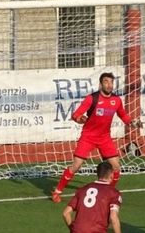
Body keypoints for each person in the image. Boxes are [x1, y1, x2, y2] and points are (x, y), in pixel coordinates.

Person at [52, 72, 140, 203]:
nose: (109, 85)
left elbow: (123, 115)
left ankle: (108, 192)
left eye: (111, 82)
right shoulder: (91, 98)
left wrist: (132, 122)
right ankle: (57, 192)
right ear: (100, 84)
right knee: (76, 165)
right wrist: (79, 119)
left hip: (104, 138)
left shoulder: (116, 100)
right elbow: (76, 114)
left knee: (116, 167)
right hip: (88, 137)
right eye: (106, 82)